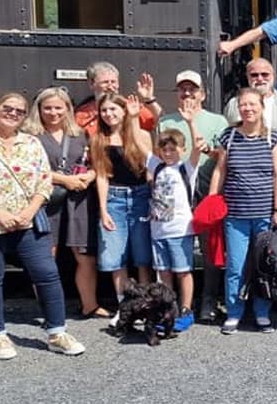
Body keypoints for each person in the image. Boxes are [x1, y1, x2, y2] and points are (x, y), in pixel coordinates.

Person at [0, 92, 85, 360]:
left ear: (26, 116)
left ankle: (57, 333)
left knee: (47, 274)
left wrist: (29, 211)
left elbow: (44, 180)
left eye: (19, 111)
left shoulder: (31, 143)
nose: (13, 113)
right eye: (8, 108)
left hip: (26, 222)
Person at [208, 87, 277, 335]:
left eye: (253, 104)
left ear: (262, 107)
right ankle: (234, 312)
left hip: (264, 214)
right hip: (235, 214)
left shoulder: (273, 138)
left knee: (263, 265)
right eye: (243, 104)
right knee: (235, 266)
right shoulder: (228, 137)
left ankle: (262, 312)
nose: (248, 109)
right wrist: (212, 200)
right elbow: (220, 170)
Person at [155, 70, 231, 323]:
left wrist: (207, 149)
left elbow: (222, 156)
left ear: (203, 94)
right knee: (175, 252)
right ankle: (171, 304)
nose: (188, 93)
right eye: (183, 89)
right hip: (175, 197)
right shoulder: (165, 121)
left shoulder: (218, 121)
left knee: (209, 250)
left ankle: (208, 299)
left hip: (206, 189)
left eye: (193, 89)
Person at [23, 86, 101, 319]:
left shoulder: (80, 134)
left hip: (79, 201)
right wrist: (65, 179)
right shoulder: (29, 136)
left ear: (67, 109)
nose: (53, 112)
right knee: (46, 256)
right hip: (46, 201)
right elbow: (30, 170)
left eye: (59, 107)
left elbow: (97, 165)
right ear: (39, 109)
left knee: (84, 256)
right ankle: (49, 311)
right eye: (48, 108)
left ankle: (90, 305)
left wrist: (89, 176)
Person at [89, 93, 155, 325]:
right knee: (116, 258)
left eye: (113, 110)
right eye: (104, 111)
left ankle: (145, 305)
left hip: (140, 197)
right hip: (114, 199)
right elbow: (101, 176)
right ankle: (125, 306)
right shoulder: (98, 139)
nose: (108, 114)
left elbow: (147, 158)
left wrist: (135, 121)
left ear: (124, 111)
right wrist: (103, 209)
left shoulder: (141, 134)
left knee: (142, 257)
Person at [225, 58, 277, 233]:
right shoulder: (233, 105)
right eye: (254, 75)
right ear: (247, 77)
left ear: (273, 76)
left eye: (265, 74)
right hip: (247, 188)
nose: (260, 79)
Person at [146, 130, 200, 333]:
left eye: (173, 149)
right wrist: (134, 117)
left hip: (180, 229)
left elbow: (196, 149)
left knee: (183, 271)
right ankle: (169, 309)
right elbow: (141, 146)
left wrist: (190, 122)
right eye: (164, 149)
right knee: (164, 272)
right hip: (158, 230)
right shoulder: (157, 167)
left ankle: (186, 309)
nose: (168, 153)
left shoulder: (186, 168)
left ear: (181, 150)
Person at [74, 61, 161, 135]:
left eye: (113, 82)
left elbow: (161, 123)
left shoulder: (132, 106)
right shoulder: (82, 114)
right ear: (91, 84)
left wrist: (149, 99)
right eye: (105, 82)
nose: (110, 86)